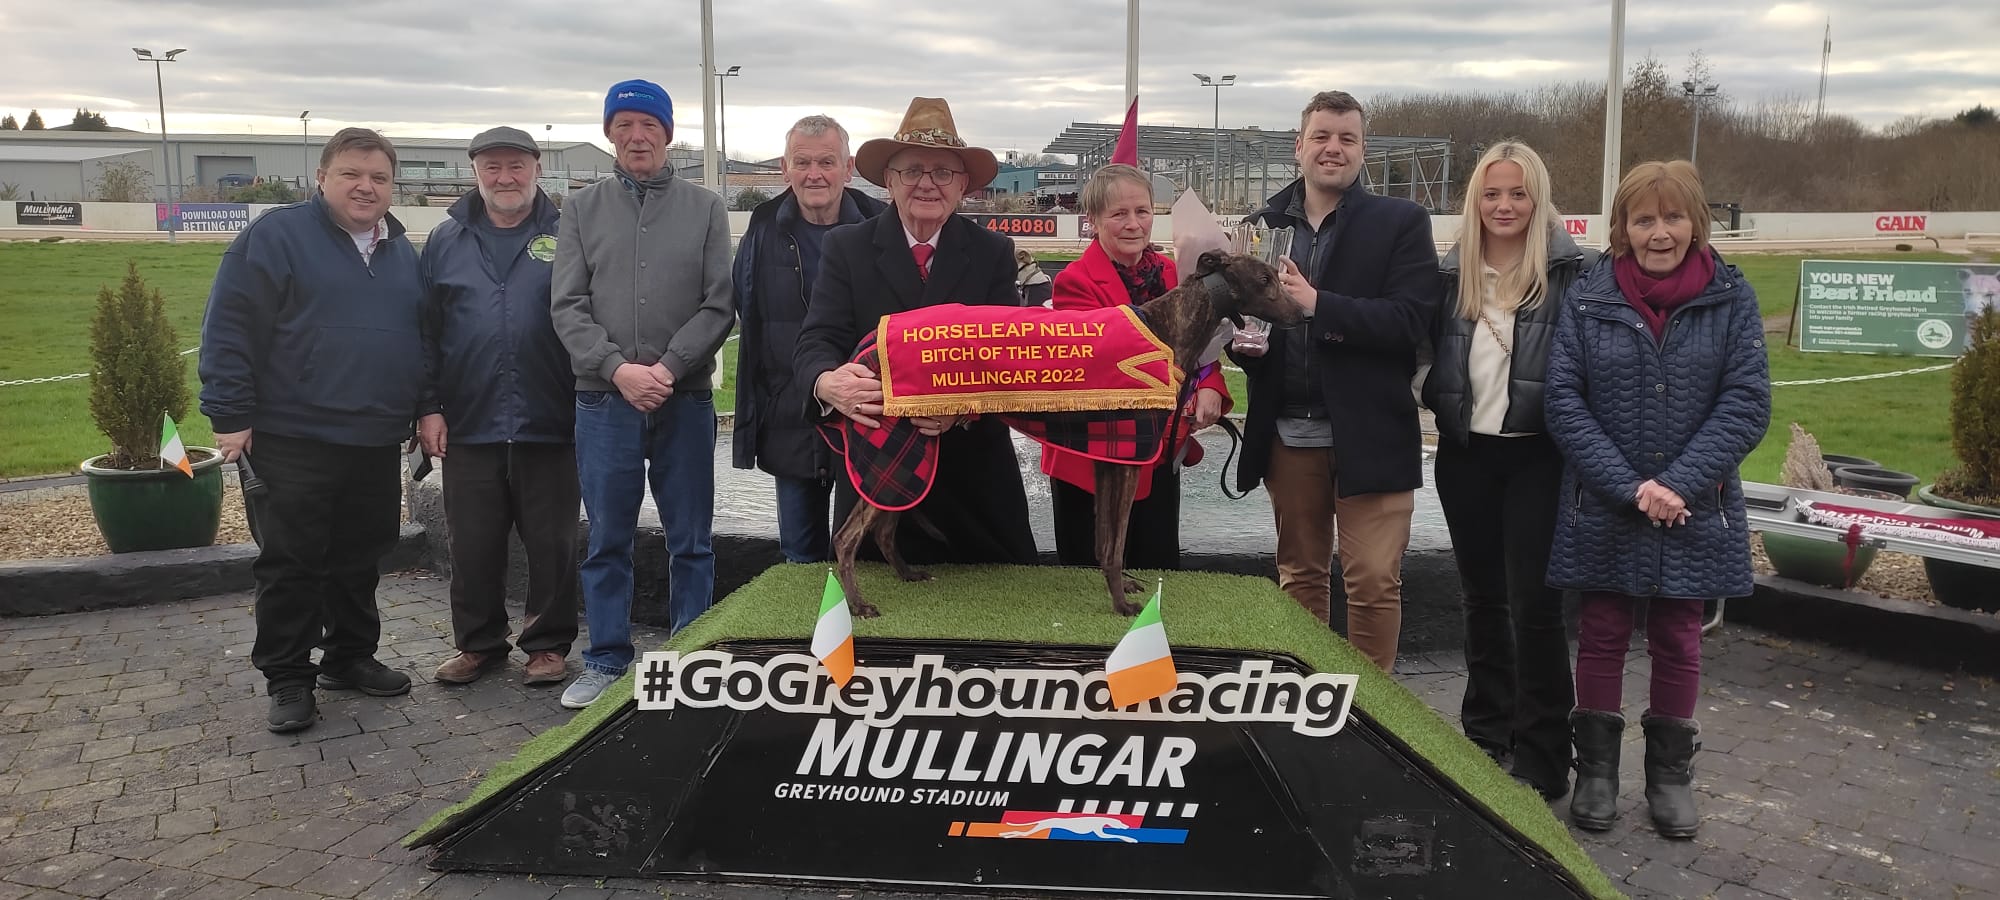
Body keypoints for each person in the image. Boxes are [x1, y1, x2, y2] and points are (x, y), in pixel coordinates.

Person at [1546, 160, 1770, 839]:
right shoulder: (1589, 297)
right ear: (1623, 227)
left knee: (1678, 636)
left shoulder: (1733, 298)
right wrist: (1630, 486)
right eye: (1643, 219)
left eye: (1673, 217)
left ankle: (1670, 780)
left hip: (1694, 506)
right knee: (1602, 632)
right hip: (1606, 502)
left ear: (1696, 222)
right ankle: (1597, 775)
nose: (1659, 232)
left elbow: (1746, 401)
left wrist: (1677, 484)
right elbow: (1564, 400)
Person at [199, 127, 424, 733]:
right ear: (322, 178)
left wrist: (425, 407)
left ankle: (349, 656)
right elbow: (229, 327)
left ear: (392, 187)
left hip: (374, 436)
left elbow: (423, 341)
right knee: (292, 562)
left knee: (361, 556)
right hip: (292, 435)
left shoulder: (403, 254)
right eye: (351, 174)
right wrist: (229, 415)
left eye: (378, 177)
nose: (365, 187)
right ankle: (288, 676)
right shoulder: (276, 237)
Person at [1230, 91, 1437, 672]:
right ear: (1299, 146)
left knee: (1373, 580)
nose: (1333, 148)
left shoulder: (1401, 223)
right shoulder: (1260, 225)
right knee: (1299, 577)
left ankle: (1373, 709)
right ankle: (1308, 700)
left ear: (1363, 151)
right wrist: (1246, 348)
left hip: (1372, 432)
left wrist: (1320, 303)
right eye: (1321, 136)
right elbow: (1245, 322)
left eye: (1347, 138)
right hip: (1289, 433)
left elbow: (1410, 322)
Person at [551, 79, 735, 709]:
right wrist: (617, 369)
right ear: (609, 134)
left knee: (693, 539)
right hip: (604, 401)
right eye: (624, 125)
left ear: (668, 134)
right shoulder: (580, 209)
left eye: (648, 125)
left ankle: (691, 658)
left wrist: (670, 367)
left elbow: (719, 304)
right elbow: (567, 305)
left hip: (684, 400)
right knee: (607, 539)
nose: (637, 137)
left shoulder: (705, 207)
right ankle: (605, 658)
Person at [794, 96, 1037, 567]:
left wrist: (961, 408)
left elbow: (1010, 355)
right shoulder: (847, 248)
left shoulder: (992, 252)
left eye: (943, 172)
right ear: (889, 180)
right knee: (873, 608)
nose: (927, 183)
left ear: (963, 184)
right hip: (877, 477)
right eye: (912, 171)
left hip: (976, 489)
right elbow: (815, 340)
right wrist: (827, 383)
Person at [1420, 142, 1593, 800]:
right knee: (1481, 599)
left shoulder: (1573, 273)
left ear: (1537, 198)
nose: (1504, 205)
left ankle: (1545, 749)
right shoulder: (1450, 274)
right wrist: (1430, 393)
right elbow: (1420, 351)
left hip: (1538, 457)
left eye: (1517, 193)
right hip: (1466, 455)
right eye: (1492, 194)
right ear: (1475, 200)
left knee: (1536, 607)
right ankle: (1486, 731)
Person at [418, 126, 577, 688]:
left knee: (552, 543)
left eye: (516, 165)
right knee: (473, 543)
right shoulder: (445, 240)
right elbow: (426, 331)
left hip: (552, 416)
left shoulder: (569, 232)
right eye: (492, 167)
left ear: (537, 168)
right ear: (475, 172)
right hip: (469, 418)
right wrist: (429, 406)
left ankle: (547, 645)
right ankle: (479, 643)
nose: (505, 177)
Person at [1043, 163, 1227, 571]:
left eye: (1142, 211)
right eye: (1118, 214)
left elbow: (1200, 344)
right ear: (1092, 221)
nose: (1133, 224)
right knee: (1087, 579)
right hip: (1091, 457)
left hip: (1158, 450)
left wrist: (1210, 384)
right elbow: (1107, 367)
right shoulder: (1074, 282)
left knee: (1157, 569)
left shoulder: (1176, 272)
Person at [732, 115, 885, 564]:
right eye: (802, 162)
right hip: (792, 416)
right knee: (800, 558)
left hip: (868, 418)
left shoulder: (880, 224)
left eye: (826, 162)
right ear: (785, 168)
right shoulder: (763, 227)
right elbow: (746, 308)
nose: (814, 174)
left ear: (848, 168)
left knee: (865, 556)